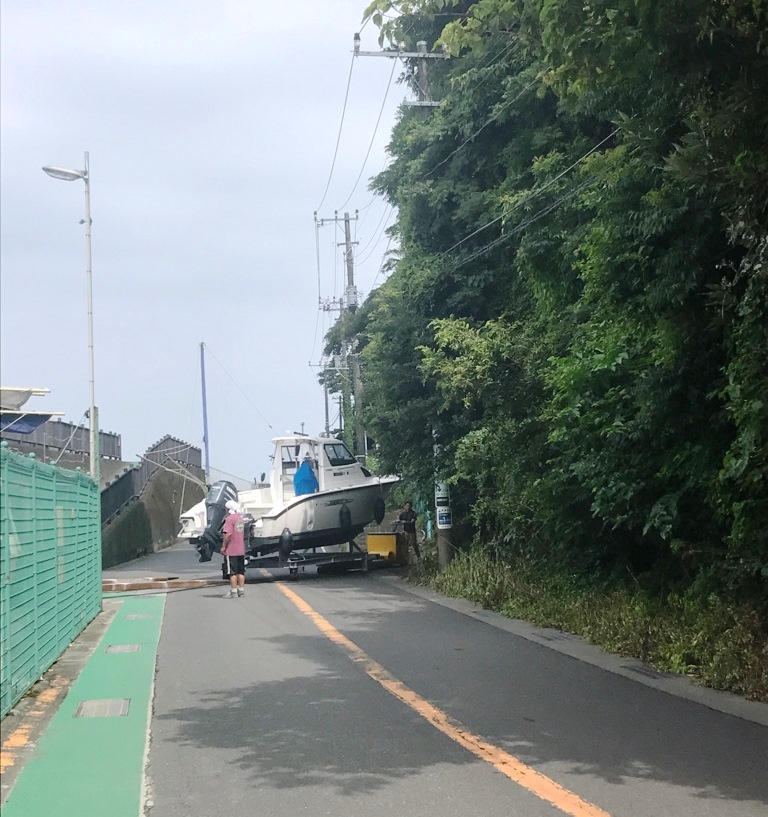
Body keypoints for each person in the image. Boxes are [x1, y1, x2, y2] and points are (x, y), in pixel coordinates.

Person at [221, 499, 246, 598]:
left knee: (232, 572)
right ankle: (241, 591)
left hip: (231, 550)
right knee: (241, 571)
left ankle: (234, 592)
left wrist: (223, 546)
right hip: (241, 549)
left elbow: (228, 534)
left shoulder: (229, 519)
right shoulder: (240, 519)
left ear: (228, 509)